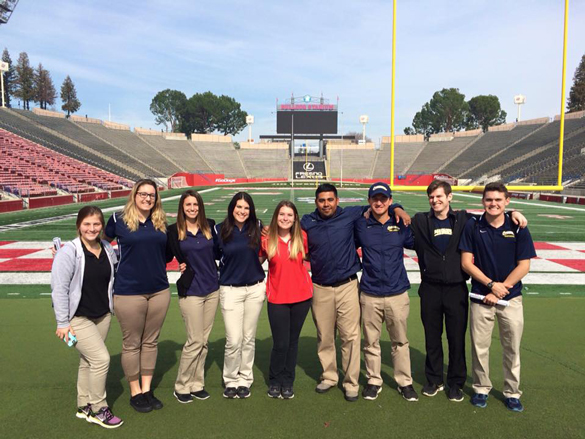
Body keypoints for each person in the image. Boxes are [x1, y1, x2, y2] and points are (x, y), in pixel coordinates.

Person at [410, 180, 527, 402]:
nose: (435, 200)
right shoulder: (420, 220)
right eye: (432, 197)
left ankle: (455, 382)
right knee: (432, 337)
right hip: (430, 287)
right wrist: (395, 207)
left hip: (456, 288)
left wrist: (513, 212)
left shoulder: (465, 219)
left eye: (439, 196)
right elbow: (399, 218)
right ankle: (434, 379)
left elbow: (492, 213)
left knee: (456, 338)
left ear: (449, 197)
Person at [300, 183, 409, 402]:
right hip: (320, 286)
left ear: (337, 201)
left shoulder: (351, 215)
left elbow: (381, 205)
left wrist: (398, 207)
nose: (326, 204)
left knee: (350, 336)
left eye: (330, 199)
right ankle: (329, 376)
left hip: (348, 285)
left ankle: (351, 382)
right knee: (325, 336)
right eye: (322, 200)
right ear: (316, 202)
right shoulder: (307, 221)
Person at [460, 182, 536, 412]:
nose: (493, 204)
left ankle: (512, 392)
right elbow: (466, 263)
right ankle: (481, 388)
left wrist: (503, 288)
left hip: (511, 298)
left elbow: (524, 265)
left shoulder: (518, 227)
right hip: (481, 297)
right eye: (489, 199)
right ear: (483, 201)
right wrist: (491, 285)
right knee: (479, 347)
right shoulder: (473, 226)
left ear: (507, 201)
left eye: (498, 200)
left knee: (511, 347)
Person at [51, 206, 123, 429]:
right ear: (79, 226)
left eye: (96, 224)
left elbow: (119, 266)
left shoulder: (107, 248)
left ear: (102, 226)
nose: (92, 229)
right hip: (78, 318)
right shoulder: (69, 252)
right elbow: (59, 289)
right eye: (87, 224)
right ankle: (99, 408)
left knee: (88, 361)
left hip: (102, 315)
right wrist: (62, 323)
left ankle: (83, 406)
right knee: (101, 359)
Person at [104, 179, 170, 413]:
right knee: (132, 344)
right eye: (143, 194)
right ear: (134, 195)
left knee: (151, 342)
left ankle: (147, 388)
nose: (147, 198)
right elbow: (98, 242)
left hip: (159, 290)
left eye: (151, 195)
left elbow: (167, 253)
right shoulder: (117, 219)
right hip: (129, 291)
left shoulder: (160, 221)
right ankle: (135, 392)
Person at [355, 182, 418, 402]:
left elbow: (418, 242)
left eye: (384, 199)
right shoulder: (361, 224)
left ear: (390, 201)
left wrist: (398, 209)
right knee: (370, 341)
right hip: (370, 293)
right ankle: (374, 380)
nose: (379, 202)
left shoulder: (400, 223)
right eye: (375, 198)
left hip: (396, 293)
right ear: (369, 201)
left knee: (399, 341)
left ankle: (404, 382)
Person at [167, 190, 219, 404]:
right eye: (188, 204)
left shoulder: (210, 225)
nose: (192, 208)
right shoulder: (173, 231)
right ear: (182, 207)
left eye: (195, 204)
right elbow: (163, 255)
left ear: (200, 206)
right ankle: (182, 385)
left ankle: (197, 384)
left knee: (204, 341)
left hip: (212, 289)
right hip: (191, 291)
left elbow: (219, 253)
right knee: (194, 340)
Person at [260, 201, 313, 400]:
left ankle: (288, 381)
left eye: (289, 215)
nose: (285, 218)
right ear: (276, 216)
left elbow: (312, 257)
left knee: (292, 342)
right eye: (282, 214)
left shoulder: (302, 237)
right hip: (277, 298)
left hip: (302, 297)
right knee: (280, 342)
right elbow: (255, 262)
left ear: (295, 218)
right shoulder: (266, 239)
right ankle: (275, 380)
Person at [215, 192, 265, 399]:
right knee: (233, 339)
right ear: (232, 207)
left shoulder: (258, 227)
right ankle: (230, 379)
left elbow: (263, 254)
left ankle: (245, 378)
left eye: (246, 208)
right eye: (239, 207)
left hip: (254, 289)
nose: (242, 211)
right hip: (230, 289)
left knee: (248, 338)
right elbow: (211, 256)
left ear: (251, 210)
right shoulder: (220, 229)